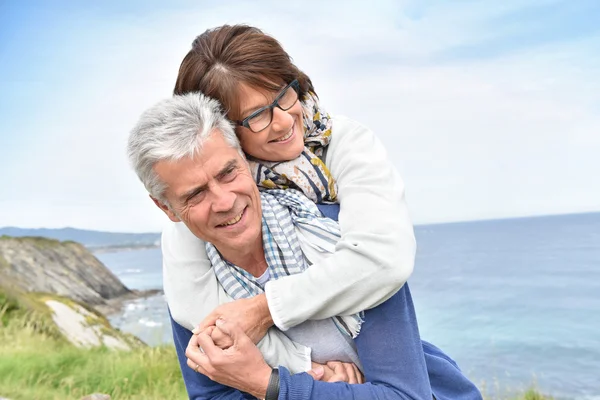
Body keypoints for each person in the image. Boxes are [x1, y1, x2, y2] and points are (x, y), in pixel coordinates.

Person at [127, 93, 482, 399]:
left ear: (246, 162)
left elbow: (405, 395)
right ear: (166, 208)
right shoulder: (194, 289)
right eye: (196, 193)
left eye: (228, 173)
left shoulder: (339, 239)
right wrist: (321, 385)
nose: (224, 201)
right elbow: (213, 396)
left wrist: (268, 385)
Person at [164, 23, 417, 374]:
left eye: (284, 94)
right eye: (256, 116)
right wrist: (304, 368)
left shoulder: (340, 141)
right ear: (220, 131)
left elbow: (384, 259)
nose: (283, 121)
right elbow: (196, 309)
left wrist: (265, 309)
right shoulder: (214, 196)